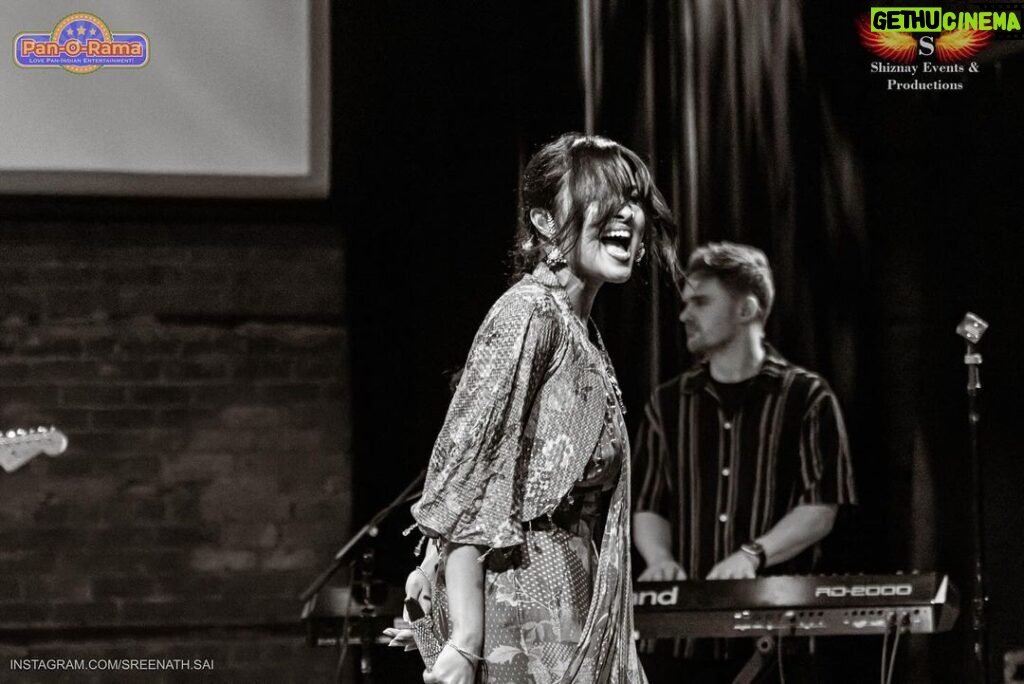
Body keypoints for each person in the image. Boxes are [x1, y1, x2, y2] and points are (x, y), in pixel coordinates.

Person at [383, 132, 681, 684]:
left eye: (634, 198)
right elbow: (465, 478)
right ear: (545, 222)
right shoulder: (528, 313)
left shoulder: (578, 329)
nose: (626, 212)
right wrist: (465, 639)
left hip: (575, 595)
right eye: (604, 194)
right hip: (528, 605)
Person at [632, 242, 856, 683]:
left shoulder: (807, 397)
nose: (684, 316)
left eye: (700, 302)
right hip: (678, 645)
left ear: (746, 308)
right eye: (684, 304)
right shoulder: (668, 402)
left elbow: (821, 507)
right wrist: (658, 558)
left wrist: (753, 554)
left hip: (773, 640)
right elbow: (649, 503)